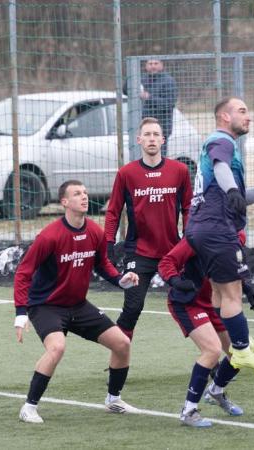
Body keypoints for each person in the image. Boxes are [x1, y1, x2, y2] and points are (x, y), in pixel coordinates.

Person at [13, 180, 140, 424]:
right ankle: (29, 407)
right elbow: (23, 273)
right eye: (77, 193)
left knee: (122, 343)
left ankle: (113, 400)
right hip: (46, 306)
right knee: (57, 348)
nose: (84, 197)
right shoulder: (49, 236)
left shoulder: (94, 231)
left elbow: (102, 264)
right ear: (64, 202)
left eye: (85, 192)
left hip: (78, 305)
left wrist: (120, 280)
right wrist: (21, 312)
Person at [184, 96, 254, 374]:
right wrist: (231, 191)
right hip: (216, 228)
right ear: (225, 117)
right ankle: (240, 349)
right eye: (242, 111)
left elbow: (239, 197)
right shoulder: (222, 141)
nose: (248, 116)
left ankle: (239, 339)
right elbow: (222, 172)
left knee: (220, 294)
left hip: (202, 228)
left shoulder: (223, 146)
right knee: (233, 293)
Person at [158, 235, 254, 427]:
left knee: (239, 351)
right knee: (212, 350)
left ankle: (216, 391)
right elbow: (166, 262)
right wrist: (176, 281)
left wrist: (247, 289)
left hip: (215, 302)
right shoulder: (197, 236)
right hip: (188, 302)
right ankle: (188, 411)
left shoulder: (236, 235)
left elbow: (229, 269)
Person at [104, 117, 192, 344]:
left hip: (172, 252)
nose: (151, 139)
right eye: (147, 135)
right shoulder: (126, 173)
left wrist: (189, 240)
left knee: (194, 300)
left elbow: (188, 208)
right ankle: (118, 353)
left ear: (163, 140)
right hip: (139, 253)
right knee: (133, 307)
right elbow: (113, 211)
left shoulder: (180, 170)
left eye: (156, 134)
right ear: (139, 140)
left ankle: (214, 355)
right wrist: (108, 242)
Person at [140, 59, 177, 151]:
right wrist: (132, 75)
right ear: (146, 66)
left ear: (161, 65)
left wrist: (149, 98)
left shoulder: (168, 81)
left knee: (159, 155)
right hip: (144, 126)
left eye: (156, 63)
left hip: (161, 128)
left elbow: (169, 103)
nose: (153, 66)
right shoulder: (142, 79)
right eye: (150, 63)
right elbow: (125, 90)